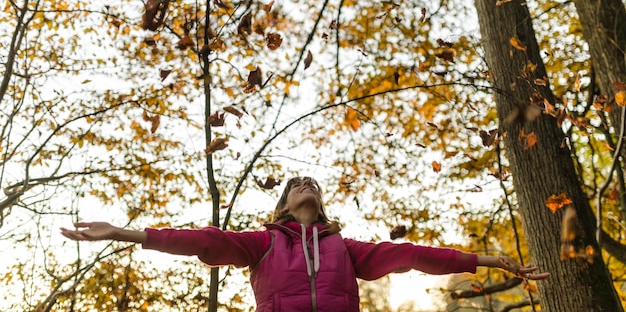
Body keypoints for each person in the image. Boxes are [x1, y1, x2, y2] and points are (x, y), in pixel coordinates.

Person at [61, 176, 549, 311]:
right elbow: (203, 241)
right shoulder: (263, 244)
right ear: (284, 204)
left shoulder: (346, 249)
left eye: (312, 183)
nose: (306, 186)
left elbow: (412, 256)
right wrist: (124, 232)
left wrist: (490, 259)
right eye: (297, 184)